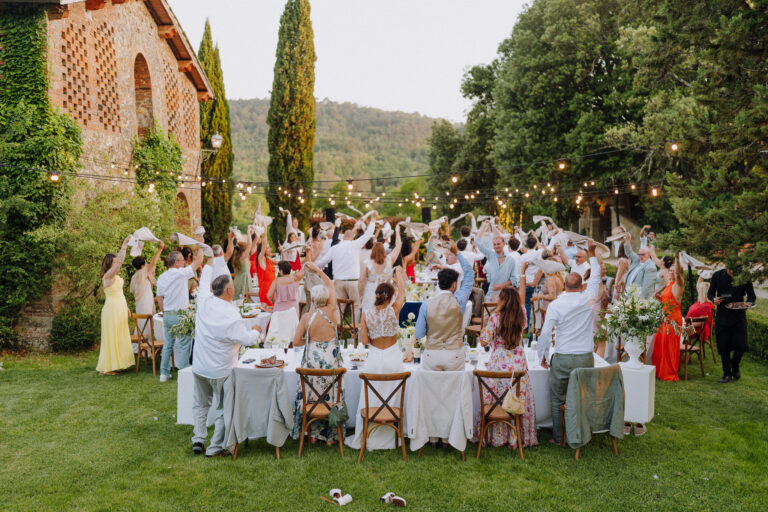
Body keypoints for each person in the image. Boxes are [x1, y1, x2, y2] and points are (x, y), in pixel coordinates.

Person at [536, 241, 600, 445]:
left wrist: (543, 356)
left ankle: (558, 438)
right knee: (585, 396)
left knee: (557, 398)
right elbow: (596, 278)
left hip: (563, 357)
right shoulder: (588, 298)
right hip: (584, 357)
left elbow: (545, 333)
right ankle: (585, 435)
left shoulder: (555, 305)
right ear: (582, 286)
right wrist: (592, 255)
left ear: (564, 285)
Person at [191, 275, 262, 457]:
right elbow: (246, 339)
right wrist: (256, 331)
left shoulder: (204, 302)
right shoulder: (230, 313)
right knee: (223, 408)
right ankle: (214, 447)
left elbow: (205, 275)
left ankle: (198, 439)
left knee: (200, 404)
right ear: (229, 291)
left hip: (200, 365)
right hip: (220, 368)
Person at [348, 267, 408, 451]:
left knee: (372, 397)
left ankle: (369, 434)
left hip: (374, 358)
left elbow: (365, 340)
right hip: (392, 358)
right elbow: (403, 294)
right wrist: (398, 277)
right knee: (392, 395)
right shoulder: (394, 310)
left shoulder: (366, 314)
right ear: (389, 297)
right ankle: (391, 435)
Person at [473, 286, 537, 449]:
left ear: (502, 300)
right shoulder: (521, 314)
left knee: (497, 396)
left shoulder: (496, 318)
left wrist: (493, 317)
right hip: (517, 359)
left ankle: (496, 435)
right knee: (516, 394)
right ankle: (518, 434)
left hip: (500, 360)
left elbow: (483, 341)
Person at [291, 262, 344, 444]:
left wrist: (310, 340)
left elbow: (295, 342)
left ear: (313, 300)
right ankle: (331, 436)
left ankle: (312, 434)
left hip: (312, 363)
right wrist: (317, 270)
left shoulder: (307, 318)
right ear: (327, 298)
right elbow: (330, 284)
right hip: (331, 362)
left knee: (313, 396)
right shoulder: (333, 312)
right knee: (331, 394)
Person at [413, 253, 474, 371]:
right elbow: (469, 274)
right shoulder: (460, 300)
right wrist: (457, 253)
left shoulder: (426, 304)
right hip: (454, 354)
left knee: (432, 388)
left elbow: (418, 334)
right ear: (454, 285)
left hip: (432, 355)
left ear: (439, 283)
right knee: (454, 387)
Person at [314, 211, 377, 322]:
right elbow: (368, 235)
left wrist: (313, 267)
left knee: (339, 308)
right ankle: (354, 330)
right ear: (352, 237)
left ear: (343, 238)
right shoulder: (355, 244)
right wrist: (373, 219)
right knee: (356, 306)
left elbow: (321, 262)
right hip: (353, 282)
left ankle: (338, 331)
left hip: (338, 282)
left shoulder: (335, 248)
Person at [157, 248, 204, 382]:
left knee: (168, 344)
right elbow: (199, 261)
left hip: (168, 314)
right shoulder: (181, 274)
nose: (184, 263)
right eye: (182, 260)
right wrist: (200, 245)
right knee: (184, 344)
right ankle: (183, 371)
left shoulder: (162, 277)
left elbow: (159, 297)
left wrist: (164, 311)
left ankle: (164, 373)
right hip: (181, 315)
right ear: (176, 262)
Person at [708, 266, 756, 383]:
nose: (732, 271)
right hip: (722, 316)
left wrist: (747, 304)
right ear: (726, 266)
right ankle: (726, 374)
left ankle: (735, 364)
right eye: (730, 269)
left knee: (741, 345)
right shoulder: (717, 276)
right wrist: (714, 299)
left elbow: (752, 297)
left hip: (739, 316)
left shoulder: (745, 276)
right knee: (724, 347)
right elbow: (710, 293)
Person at [96, 236, 135, 375]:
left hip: (120, 308)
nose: (117, 264)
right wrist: (124, 246)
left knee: (119, 336)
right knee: (111, 337)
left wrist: (126, 308)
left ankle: (116, 364)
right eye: (114, 263)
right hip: (111, 309)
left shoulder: (117, 277)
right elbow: (119, 263)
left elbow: (120, 294)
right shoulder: (107, 276)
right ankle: (107, 367)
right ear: (109, 265)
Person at [651, 255, 684, 381]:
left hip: (673, 320)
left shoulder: (678, 285)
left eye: (674, 272)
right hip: (664, 318)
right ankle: (659, 371)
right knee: (660, 345)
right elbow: (667, 301)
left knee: (669, 347)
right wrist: (658, 297)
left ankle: (668, 373)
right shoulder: (669, 284)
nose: (671, 273)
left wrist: (677, 260)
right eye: (671, 270)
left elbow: (680, 276)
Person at [359, 227, 402, 312]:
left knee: (369, 315)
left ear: (373, 251)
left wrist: (360, 295)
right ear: (383, 251)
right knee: (384, 313)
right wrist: (397, 231)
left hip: (370, 293)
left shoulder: (367, 263)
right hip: (386, 292)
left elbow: (361, 281)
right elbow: (398, 246)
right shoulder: (390, 260)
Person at [476, 222, 518, 301]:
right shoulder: (491, 255)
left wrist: (500, 286)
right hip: (491, 294)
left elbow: (514, 280)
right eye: (494, 244)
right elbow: (478, 242)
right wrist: (483, 226)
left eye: (498, 244)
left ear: (504, 244)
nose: (496, 246)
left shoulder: (511, 260)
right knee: (486, 312)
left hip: (505, 295)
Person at [129, 240, 165, 329]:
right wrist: (160, 249)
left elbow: (148, 288)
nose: (147, 264)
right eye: (145, 263)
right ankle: (145, 340)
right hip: (144, 302)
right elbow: (153, 263)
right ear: (142, 265)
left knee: (145, 323)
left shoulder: (138, 276)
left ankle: (144, 340)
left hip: (145, 301)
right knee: (145, 322)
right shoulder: (141, 273)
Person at [622, 233, 656, 299]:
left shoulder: (651, 267)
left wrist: (638, 303)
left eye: (643, 254)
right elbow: (629, 252)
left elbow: (646, 288)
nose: (640, 256)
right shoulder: (637, 260)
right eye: (639, 254)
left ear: (649, 255)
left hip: (639, 301)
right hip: (628, 297)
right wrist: (628, 241)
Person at [686, 278, 715, 344]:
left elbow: (702, 323)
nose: (698, 290)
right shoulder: (701, 303)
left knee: (675, 330)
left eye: (699, 289)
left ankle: (680, 350)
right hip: (691, 326)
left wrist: (687, 325)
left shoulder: (706, 306)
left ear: (702, 292)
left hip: (697, 330)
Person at [232, 227, 257, 301]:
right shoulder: (244, 257)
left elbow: (235, 273)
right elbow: (250, 244)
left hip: (237, 281)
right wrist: (248, 231)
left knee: (238, 301)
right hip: (244, 281)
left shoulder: (236, 258)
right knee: (245, 300)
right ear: (244, 249)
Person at [254, 231, 276, 306]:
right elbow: (263, 245)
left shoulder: (269, 260)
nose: (270, 249)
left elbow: (282, 263)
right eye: (268, 248)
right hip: (266, 292)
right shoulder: (261, 259)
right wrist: (264, 229)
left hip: (272, 291)